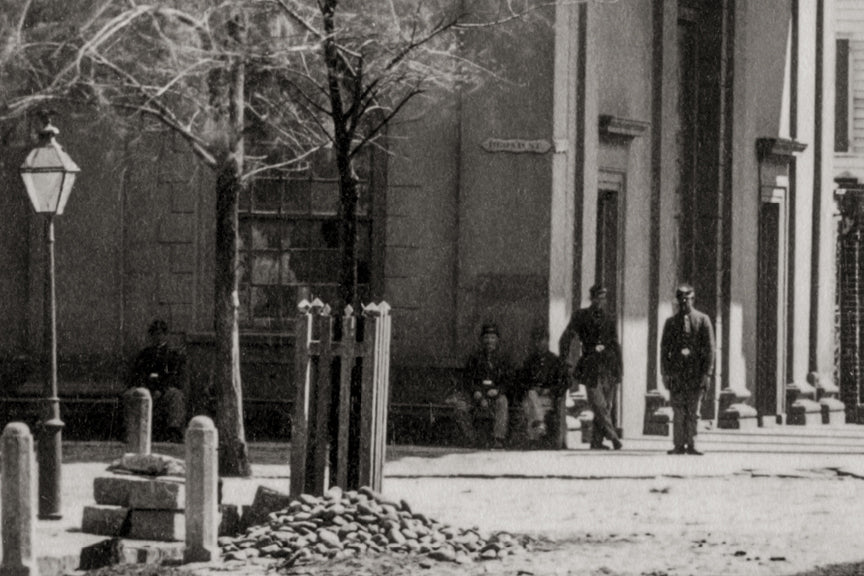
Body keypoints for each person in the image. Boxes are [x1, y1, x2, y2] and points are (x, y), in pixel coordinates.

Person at [559, 284, 623, 450]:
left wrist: (620, 369)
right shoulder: (581, 316)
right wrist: (564, 358)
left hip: (609, 366)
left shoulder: (610, 317)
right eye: (598, 297)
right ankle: (613, 436)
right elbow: (567, 337)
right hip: (590, 365)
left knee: (606, 406)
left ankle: (596, 442)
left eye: (603, 298)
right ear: (592, 298)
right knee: (598, 405)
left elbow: (615, 344)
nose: (601, 301)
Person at [660, 284, 715, 455]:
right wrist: (665, 373)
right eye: (681, 300)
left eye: (687, 299)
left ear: (693, 299)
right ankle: (678, 444)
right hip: (677, 374)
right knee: (678, 411)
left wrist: (707, 373)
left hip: (696, 374)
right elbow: (664, 350)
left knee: (693, 411)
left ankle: (692, 443)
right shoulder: (670, 323)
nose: (684, 303)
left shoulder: (703, 320)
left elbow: (710, 349)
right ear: (677, 301)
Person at [450, 322, 514, 449]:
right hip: (476, 395)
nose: (489, 341)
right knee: (460, 407)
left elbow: (508, 381)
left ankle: (498, 439)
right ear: (481, 340)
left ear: (497, 340)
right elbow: (468, 379)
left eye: (492, 337)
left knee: (503, 402)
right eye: (486, 337)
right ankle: (471, 438)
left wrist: (497, 391)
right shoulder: (475, 357)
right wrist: (476, 393)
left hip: (494, 395)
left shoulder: (503, 359)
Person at [127, 319, 187, 443]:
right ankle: (131, 431)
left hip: (164, 392)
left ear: (166, 335)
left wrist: (161, 389)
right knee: (130, 394)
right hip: (146, 390)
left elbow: (174, 377)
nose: (158, 337)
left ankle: (173, 432)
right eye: (154, 334)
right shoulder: (144, 354)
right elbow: (138, 374)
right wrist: (146, 388)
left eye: (160, 333)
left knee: (176, 395)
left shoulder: (173, 355)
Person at [514, 325, 570, 449]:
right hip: (531, 398)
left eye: (542, 340)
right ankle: (540, 424)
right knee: (531, 395)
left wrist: (548, 390)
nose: (539, 343)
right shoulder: (529, 361)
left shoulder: (555, 361)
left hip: (548, 399)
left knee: (530, 404)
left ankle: (535, 436)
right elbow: (521, 382)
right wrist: (533, 388)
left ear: (547, 340)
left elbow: (564, 382)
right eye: (536, 340)